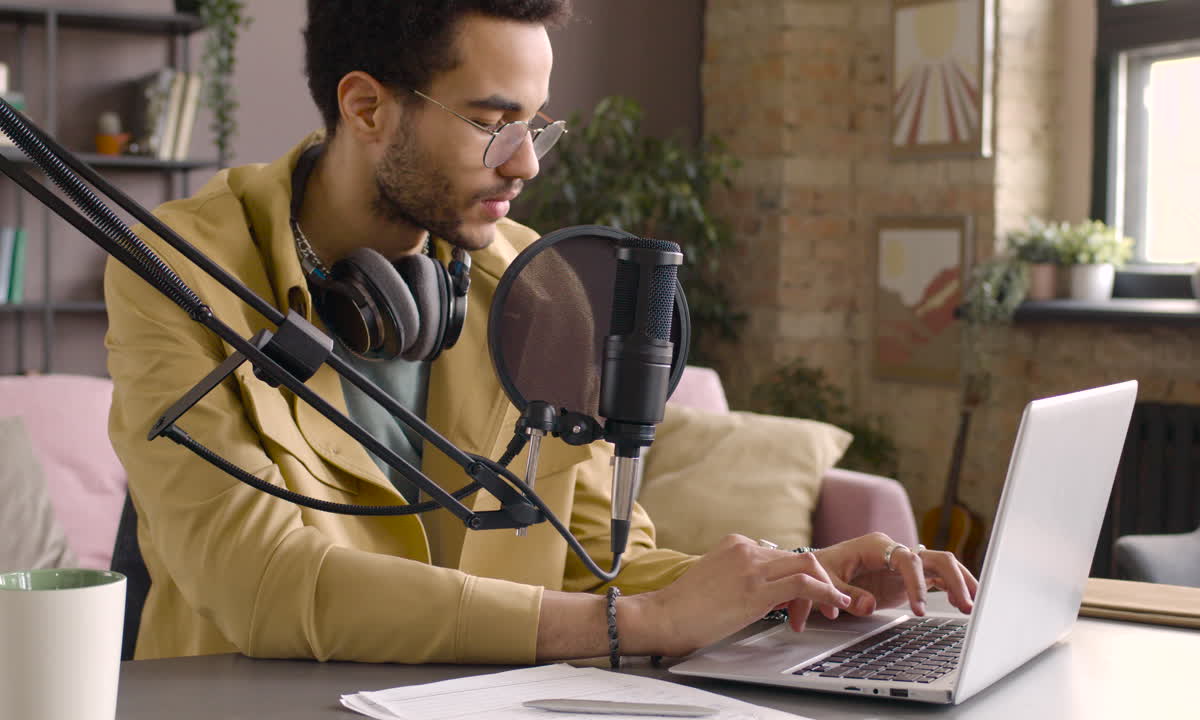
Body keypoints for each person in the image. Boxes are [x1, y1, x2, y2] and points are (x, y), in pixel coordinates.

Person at [104, 0, 978, 665]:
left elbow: (600, 566)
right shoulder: (176, 269)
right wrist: (625, 624)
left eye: (536, 124)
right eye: (493, 123)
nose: (525, 163)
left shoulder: (546, 290)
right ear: (366, 109)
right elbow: (257, 580)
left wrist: (794, 580)